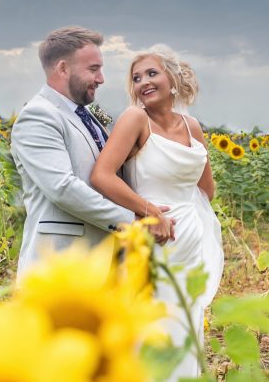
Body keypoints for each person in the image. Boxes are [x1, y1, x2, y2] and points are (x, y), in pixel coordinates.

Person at [91, 46, 224, 378]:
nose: (143, 83)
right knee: (152, 329)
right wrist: (150, 211)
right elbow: (102, 176)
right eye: (136, 78)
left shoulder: (192, 126)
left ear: (173, 80)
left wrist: (190, 218)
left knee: (185, 326)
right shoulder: (135, 119)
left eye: (151, 73)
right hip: (153, 243)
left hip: (190, 245)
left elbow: (206, 189)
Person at [11, 27, 174, 278]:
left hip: (103, 264)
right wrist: (133, 222)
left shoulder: (85, 114)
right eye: (93, 69)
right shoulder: (38, 115)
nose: (101, 79)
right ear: (63, 68)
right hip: (60, 267)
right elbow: (63, 188)